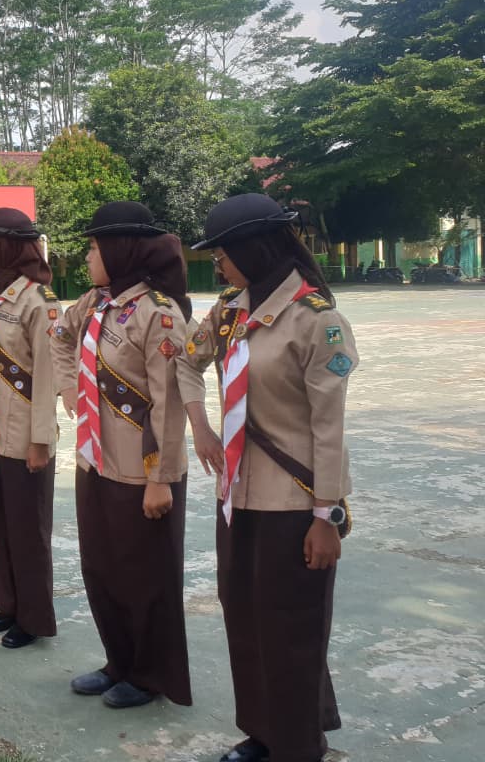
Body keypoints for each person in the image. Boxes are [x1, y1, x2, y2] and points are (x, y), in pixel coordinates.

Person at [176, 194, 358, 762]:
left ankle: (300, 745)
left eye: (224, 252)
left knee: (292, 629)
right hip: (237, 496)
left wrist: (325, 516)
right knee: (246, 618)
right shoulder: (228, 311)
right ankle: (263, 730)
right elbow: (185, 361)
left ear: (254, 249)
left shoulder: (317, 322)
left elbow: (328, 431)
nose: (219, 263)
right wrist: (200, 427)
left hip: (295, 504)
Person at [53, 201, 192, 709]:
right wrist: (70, 387)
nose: (87, 257)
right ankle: (119, 661)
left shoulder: (159, 313)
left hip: (143, 469)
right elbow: (60, 340)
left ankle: (151, 674)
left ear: (120, 250)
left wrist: (162, 479)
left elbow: (171, 406)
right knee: (102, 567)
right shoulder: (92, 303)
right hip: (95, 459)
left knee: (145, 577)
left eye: (93, 247)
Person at [0, 208, 61, 649]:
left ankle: (34, 615)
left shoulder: (38, 302)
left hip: (24, 435)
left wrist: (41, 439)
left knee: (28, 530)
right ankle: (7, 604)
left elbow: (47, 376)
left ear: (4, 245)